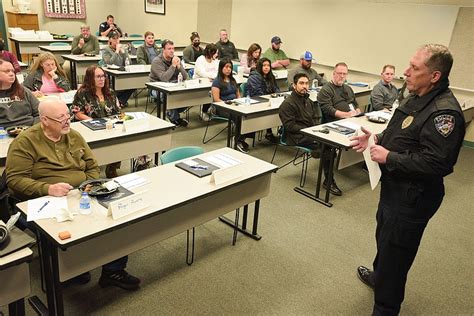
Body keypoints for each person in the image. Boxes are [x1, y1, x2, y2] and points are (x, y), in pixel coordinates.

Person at [350, 44, 465, 316]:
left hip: (412, 198)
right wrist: (374, 140)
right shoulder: (415, 95)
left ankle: (386, 308)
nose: (406, 72)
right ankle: (379, 277)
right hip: (394, 189)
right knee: (385, 239)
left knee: (396, 256)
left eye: (414, 68)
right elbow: (402, 134)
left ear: (434, 76)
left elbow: (437, 163)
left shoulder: (443, 113)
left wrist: (389, 157)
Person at [6, 99, 141, 290]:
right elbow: (15, 180)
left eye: (68, 115)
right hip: (43, 200)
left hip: (81, 194)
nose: (67, 120)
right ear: (44, 120)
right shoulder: (26, 142)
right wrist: (48, 189)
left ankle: (113, 271)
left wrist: (88, 185)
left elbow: (92, 165)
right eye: (61, 118)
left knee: (115, 218)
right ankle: (71, 270)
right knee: (70, 233)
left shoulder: (73, 135)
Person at [317, 62, 361, 196]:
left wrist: (357, 111)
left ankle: (364, 164)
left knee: (368, 135)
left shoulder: (348, 88)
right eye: (339, 73)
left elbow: (355, 104)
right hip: (332, 125)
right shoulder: (326, 89)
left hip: (351, 122)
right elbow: (328, 109)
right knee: (328, 149)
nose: (342, 76)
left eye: (344, 74)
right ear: (334, 73)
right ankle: (328, 180)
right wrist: (346, 115)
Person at [71, 66, 122, 178]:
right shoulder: (82, 93)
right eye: (98, 76)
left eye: (103, 76)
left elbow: (118, 112)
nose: (102, 79)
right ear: (90, 79)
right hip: (90, 127)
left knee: (122, 140)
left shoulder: (110, 93)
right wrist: (94, 122)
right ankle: (91, 168)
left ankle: (112, 166)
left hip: (109, 127)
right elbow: (77, 113)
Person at [211, 58, 251, 153]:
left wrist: (240, 103)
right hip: (221, 107)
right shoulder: (216, 82)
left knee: (248, 115)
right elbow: (216, 99)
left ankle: (241, 138)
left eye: (230, 67)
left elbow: (238, 95)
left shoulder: (233, 80)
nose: (228, 69)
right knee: (238, 116)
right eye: (226, 67)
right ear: (221, 68)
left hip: (234, 105)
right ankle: (237, 141)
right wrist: (229, 105)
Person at [279, 73, 322, 156]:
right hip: (296, 136)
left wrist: (316, 130)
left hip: (308, 133)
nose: (304, 86)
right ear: (294, 85)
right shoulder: (288, 104)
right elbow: (290, 126)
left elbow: (315, 118)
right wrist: (308, 130)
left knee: (328, 142)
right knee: (324, 146)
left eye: (306, 83)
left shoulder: (308, 101)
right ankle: (326, 167)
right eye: (301, 83)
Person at [149, 39, 189, 127]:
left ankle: (170, 113)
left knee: (188, 96)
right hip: (157, 88)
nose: (172, 51)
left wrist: (179, 66)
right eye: (169, 49)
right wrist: (173, 66)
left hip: (173, 86)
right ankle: (175, 118)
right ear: (163, 50)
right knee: (168, 96)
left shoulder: (175, 59)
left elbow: (186, 77)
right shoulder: (157, 61)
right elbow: (164, 78)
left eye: (173, 49)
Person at [247, 57, 279, 143]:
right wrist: (270, 98)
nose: (266, 67)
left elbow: (276, 89)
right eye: (264, 65)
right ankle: (241, 139)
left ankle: (270, 133)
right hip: (255, 102)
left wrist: (277, 96)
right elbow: (257, 94)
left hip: (269, 102)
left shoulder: (270, 76)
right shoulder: (254, 77)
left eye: (268, 65)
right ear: (260, 66)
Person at [0, 59, 39, 128]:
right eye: (7, 71)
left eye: (12, 71)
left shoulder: (24, 91)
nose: (11, 74)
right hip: (3, 133)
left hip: (28, 130)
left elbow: (40, 113)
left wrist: (34, 129)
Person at [102, 31, 134, 106]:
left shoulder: (122, 49)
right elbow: (109, 62)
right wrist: (116, 51)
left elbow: (129, 63)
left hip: (123, 73)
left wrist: (124, 53)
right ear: (110, 40)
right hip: (111, 75)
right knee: (116, 86)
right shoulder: (106, 50)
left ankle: (120, 101)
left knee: (133, 84)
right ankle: (118, 101)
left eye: (117, 38)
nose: (116, 40)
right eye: (114, 39)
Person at [193, 43, 219, 121]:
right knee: (209, 93)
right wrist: (211, 76)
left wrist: (211, 77)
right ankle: (204, 111)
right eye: (215, 53)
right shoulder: (200, 59)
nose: (217, 54)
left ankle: (212, 109)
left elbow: (218, 72)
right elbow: (202, 73)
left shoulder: (215, 60)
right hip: (199, 83)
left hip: (212, 82)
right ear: (210, 52)